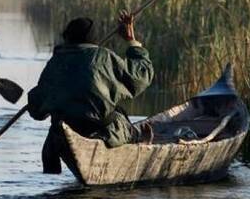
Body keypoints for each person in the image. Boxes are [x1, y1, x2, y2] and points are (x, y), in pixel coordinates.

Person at [26, 11, 154, 173]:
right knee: (120, 115)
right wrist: (131, 41)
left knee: (116, 113)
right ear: (93, 39)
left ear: (68, 38)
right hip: (104, 133)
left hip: (62, 136)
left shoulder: (56, 62)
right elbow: (140, 76)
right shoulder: (103, 58)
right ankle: (136, 139)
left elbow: (37, 112)